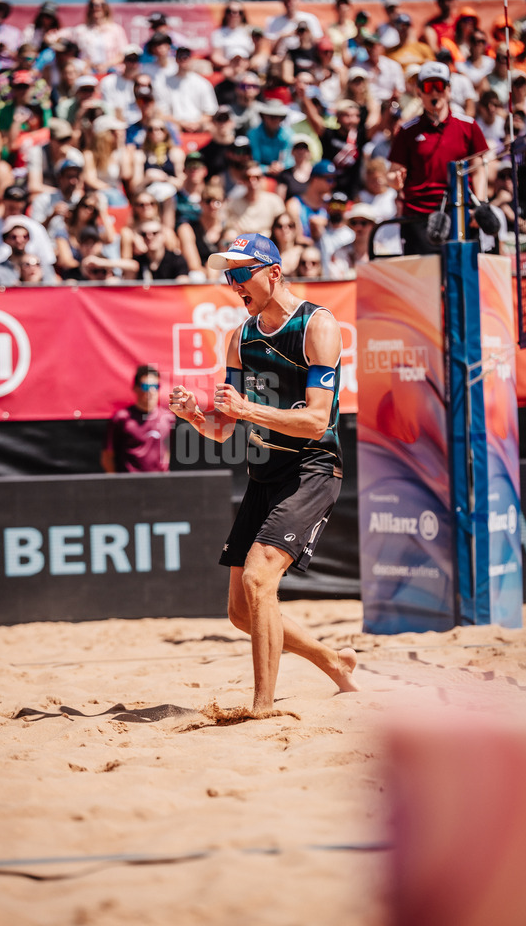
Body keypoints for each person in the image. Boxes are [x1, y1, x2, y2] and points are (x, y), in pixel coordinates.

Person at [168, 233, 359, 715]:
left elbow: (316, 420)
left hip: (312, 468)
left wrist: (247, 409)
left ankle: (262, 707)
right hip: (264, 473)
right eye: (228, 275)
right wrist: (193, 416)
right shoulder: (240, 339)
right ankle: (333, 661)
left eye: (240, 273)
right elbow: (222, 429)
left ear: (274, 272)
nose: (233, 284)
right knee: (239, 612)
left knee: (258, 580)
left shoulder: (317, 326)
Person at [388, 61, 488, 255]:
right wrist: (395, 181)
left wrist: (480, 206)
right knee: (424, 274)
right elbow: (393, 173)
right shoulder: (407, 131)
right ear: (419, 92)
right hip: (419, 217)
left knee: (463, 270)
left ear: (449, 90)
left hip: (460, 213)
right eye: (428, 86)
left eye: (439, 86)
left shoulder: (468, 126)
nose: (434, 92)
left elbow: (478, 170)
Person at [103, 365, 176, 474]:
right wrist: (117, 482)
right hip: (129, 483)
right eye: (146, 386)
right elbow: (107, 456)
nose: (151, 391)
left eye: (155, 386)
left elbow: (166, 450)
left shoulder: (168, 418)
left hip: (159, 482)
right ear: (135, 388)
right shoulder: (121, 418)